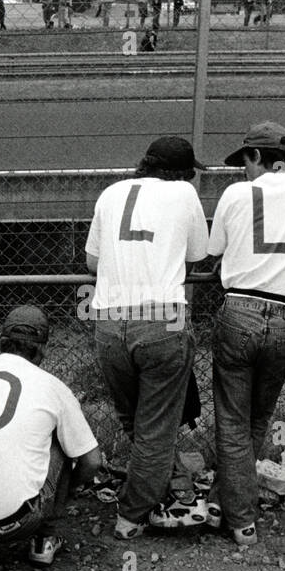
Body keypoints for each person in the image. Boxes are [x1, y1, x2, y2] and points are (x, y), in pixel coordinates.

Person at [85, 137, 208, 539]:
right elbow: (197, 256)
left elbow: (91, 261)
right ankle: (133, 514)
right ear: (182, 172)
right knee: (156, 427)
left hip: (107, 317)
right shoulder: (184, 193)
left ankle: (163, 486)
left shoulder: (111, 192)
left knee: (134, 420)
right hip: (161, 319)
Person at [209, 123, 285, 546]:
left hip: (238, 308)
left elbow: (213, 249)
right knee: (257, 417)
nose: (242, 169)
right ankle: (231, 498)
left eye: (244, 160)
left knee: (232, 418)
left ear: (258, 157)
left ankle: (239, 516)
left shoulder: (237, 194)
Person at [0, 306, 102, 571]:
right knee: (61, 443)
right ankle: (44, 539)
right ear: (42, 349)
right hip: (17, 522)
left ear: (0, 341)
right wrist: (65, 490)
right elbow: (92, 461)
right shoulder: (53, 386)